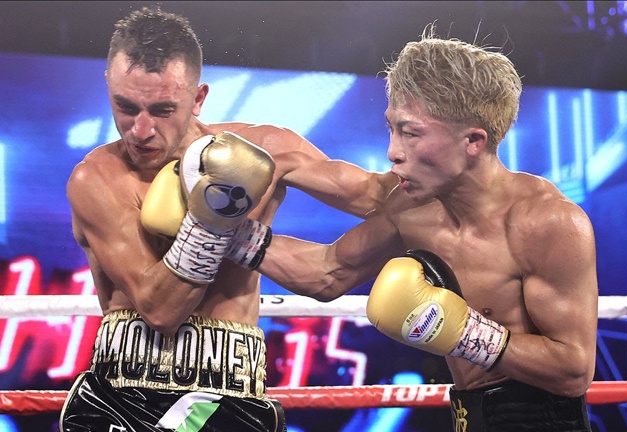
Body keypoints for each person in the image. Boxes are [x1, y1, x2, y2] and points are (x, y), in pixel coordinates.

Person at [60, 6, 396, 432]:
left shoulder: (266, 150)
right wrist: (212, 219)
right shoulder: (98, 178)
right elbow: (160, 309)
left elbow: (381, 200)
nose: (140, 130)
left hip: (231, 398)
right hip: (122, 398)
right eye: (126, 106)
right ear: (108, 84)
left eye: (162, 109)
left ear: (198, 98)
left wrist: (442, 166)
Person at [254, 24, 599, 431]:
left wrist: (465, 331)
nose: (393, 151)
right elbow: (327, 272)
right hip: (467, 417)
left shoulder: (548, 222)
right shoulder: (413, 208)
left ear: (473, 141)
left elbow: (573, 370)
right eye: (392, 127)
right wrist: (222, 233)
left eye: (410, 133)